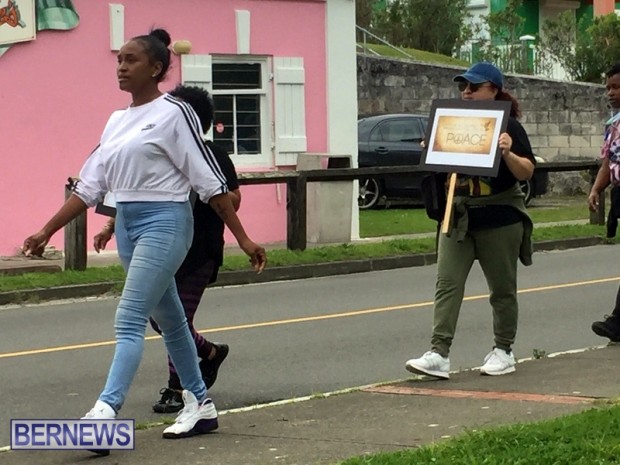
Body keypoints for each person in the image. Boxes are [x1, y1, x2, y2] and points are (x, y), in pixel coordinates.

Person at [22, 28, 266, 450]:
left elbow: (209, 182)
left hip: (167, 221)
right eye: (118, 59)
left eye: (131, 60)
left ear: (156, 68)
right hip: (130, 227)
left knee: (129, 317)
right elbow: (89, 186)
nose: (121, 66)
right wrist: (46, 230)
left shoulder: (175, 113)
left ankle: (104, 413)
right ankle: (201, 405)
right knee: (171, 322)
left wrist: (243, 239)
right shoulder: (117, 120)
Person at [94, 84, 239, 414]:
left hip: (197, 249)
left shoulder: (210, 154)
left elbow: (232, 198)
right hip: (152, 245)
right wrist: (108, 226)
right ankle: (204, 381)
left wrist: (199, 183)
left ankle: (170, 390)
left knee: (159, 318)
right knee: (167, 320)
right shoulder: (149, 145)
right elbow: (127, 192)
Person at [405, 62, 535, 379]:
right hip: (457, 215)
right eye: (464, 87)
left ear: (494, 90)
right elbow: (438, 170)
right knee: (447, 285)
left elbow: (527, 171)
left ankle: (503, 350)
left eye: (473, 87)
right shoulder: (449, 123)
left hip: (499, 216)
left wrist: (507, 152)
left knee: (502, 289)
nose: (466, 93)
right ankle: (438, 353)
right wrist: (430, 150)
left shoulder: (510, 128)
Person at [589, 63, 620, 342]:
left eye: (616, 87)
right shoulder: (613, 125)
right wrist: (596, 189)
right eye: (608, 87)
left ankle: (617, 322)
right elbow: (608, 161)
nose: (610, 93)